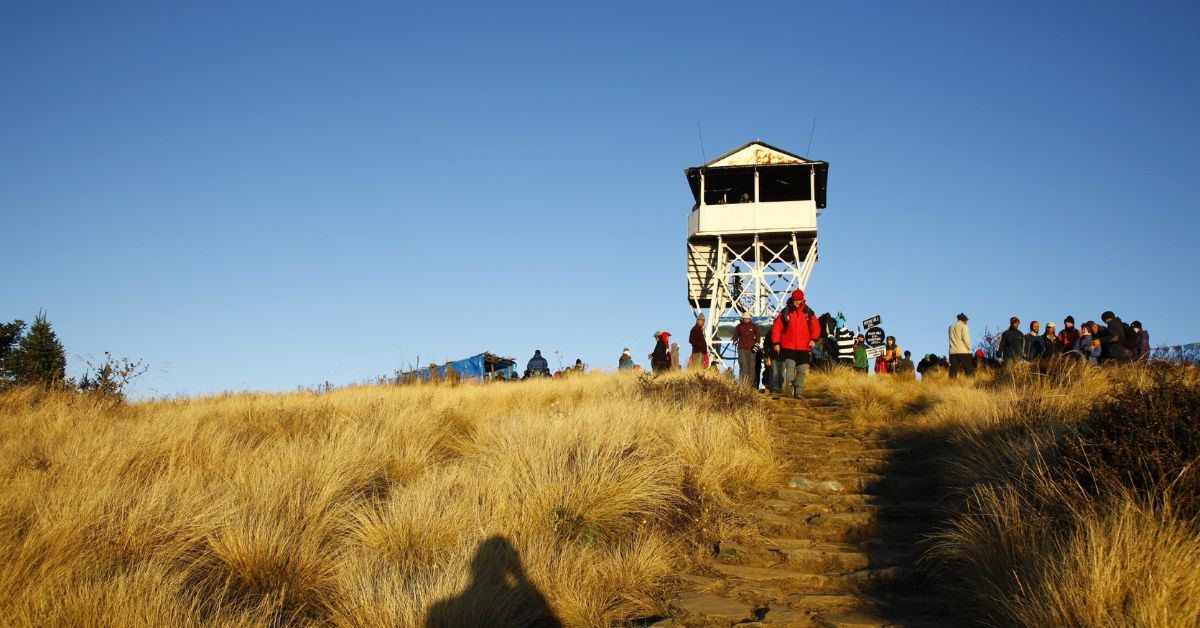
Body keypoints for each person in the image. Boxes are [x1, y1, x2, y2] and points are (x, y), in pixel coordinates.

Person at [770, 289, 821, 399]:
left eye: (800, 299)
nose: (798, 302)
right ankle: (789, 387)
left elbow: (816, 327)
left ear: (803, 299)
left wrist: (813, 339)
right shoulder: (785, 312)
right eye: (796, 299)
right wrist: (776, 342)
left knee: (802, 369)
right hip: (788, 345)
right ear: (792, 299)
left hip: (804, 346)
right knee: (790, 367)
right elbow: (777, 328)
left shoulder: (808, 312)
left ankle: (799, 391)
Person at [731, 312, 762, 389]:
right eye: (744, 318)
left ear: (750, 319)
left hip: (751, 350)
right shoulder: (739, 327)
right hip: (741, 349)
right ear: (742, 319)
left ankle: (751, 386)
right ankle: (743, 385)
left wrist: (756, 345)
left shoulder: (754, 326)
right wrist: (735, 341)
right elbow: (735, 336)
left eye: (747, 318)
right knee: (743, 366)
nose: (746, 320)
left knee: (751, 367)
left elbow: (758, 337)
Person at [948, 313, 974, 379]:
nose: (967, 322)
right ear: (964, 320)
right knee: (969, 370)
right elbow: (966, 339)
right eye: (966, 320)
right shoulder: (964, 326)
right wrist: (969, 349)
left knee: (953, 371)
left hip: (953, 352)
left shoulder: (951, 327)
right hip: (963, 352)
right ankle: (971, 384)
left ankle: (951, 385)